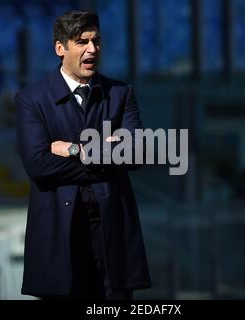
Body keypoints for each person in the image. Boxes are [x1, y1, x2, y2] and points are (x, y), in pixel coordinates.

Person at [14, 10, 151, 300]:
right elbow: (38, 165)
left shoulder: (120, 93)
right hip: (59, 234)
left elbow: (137, 153)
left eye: (97, 41)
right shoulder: (31, 99)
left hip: (112, 232)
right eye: (82, 41)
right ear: (60, 48)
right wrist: (108, 153)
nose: (93, 49)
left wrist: (75, 149)